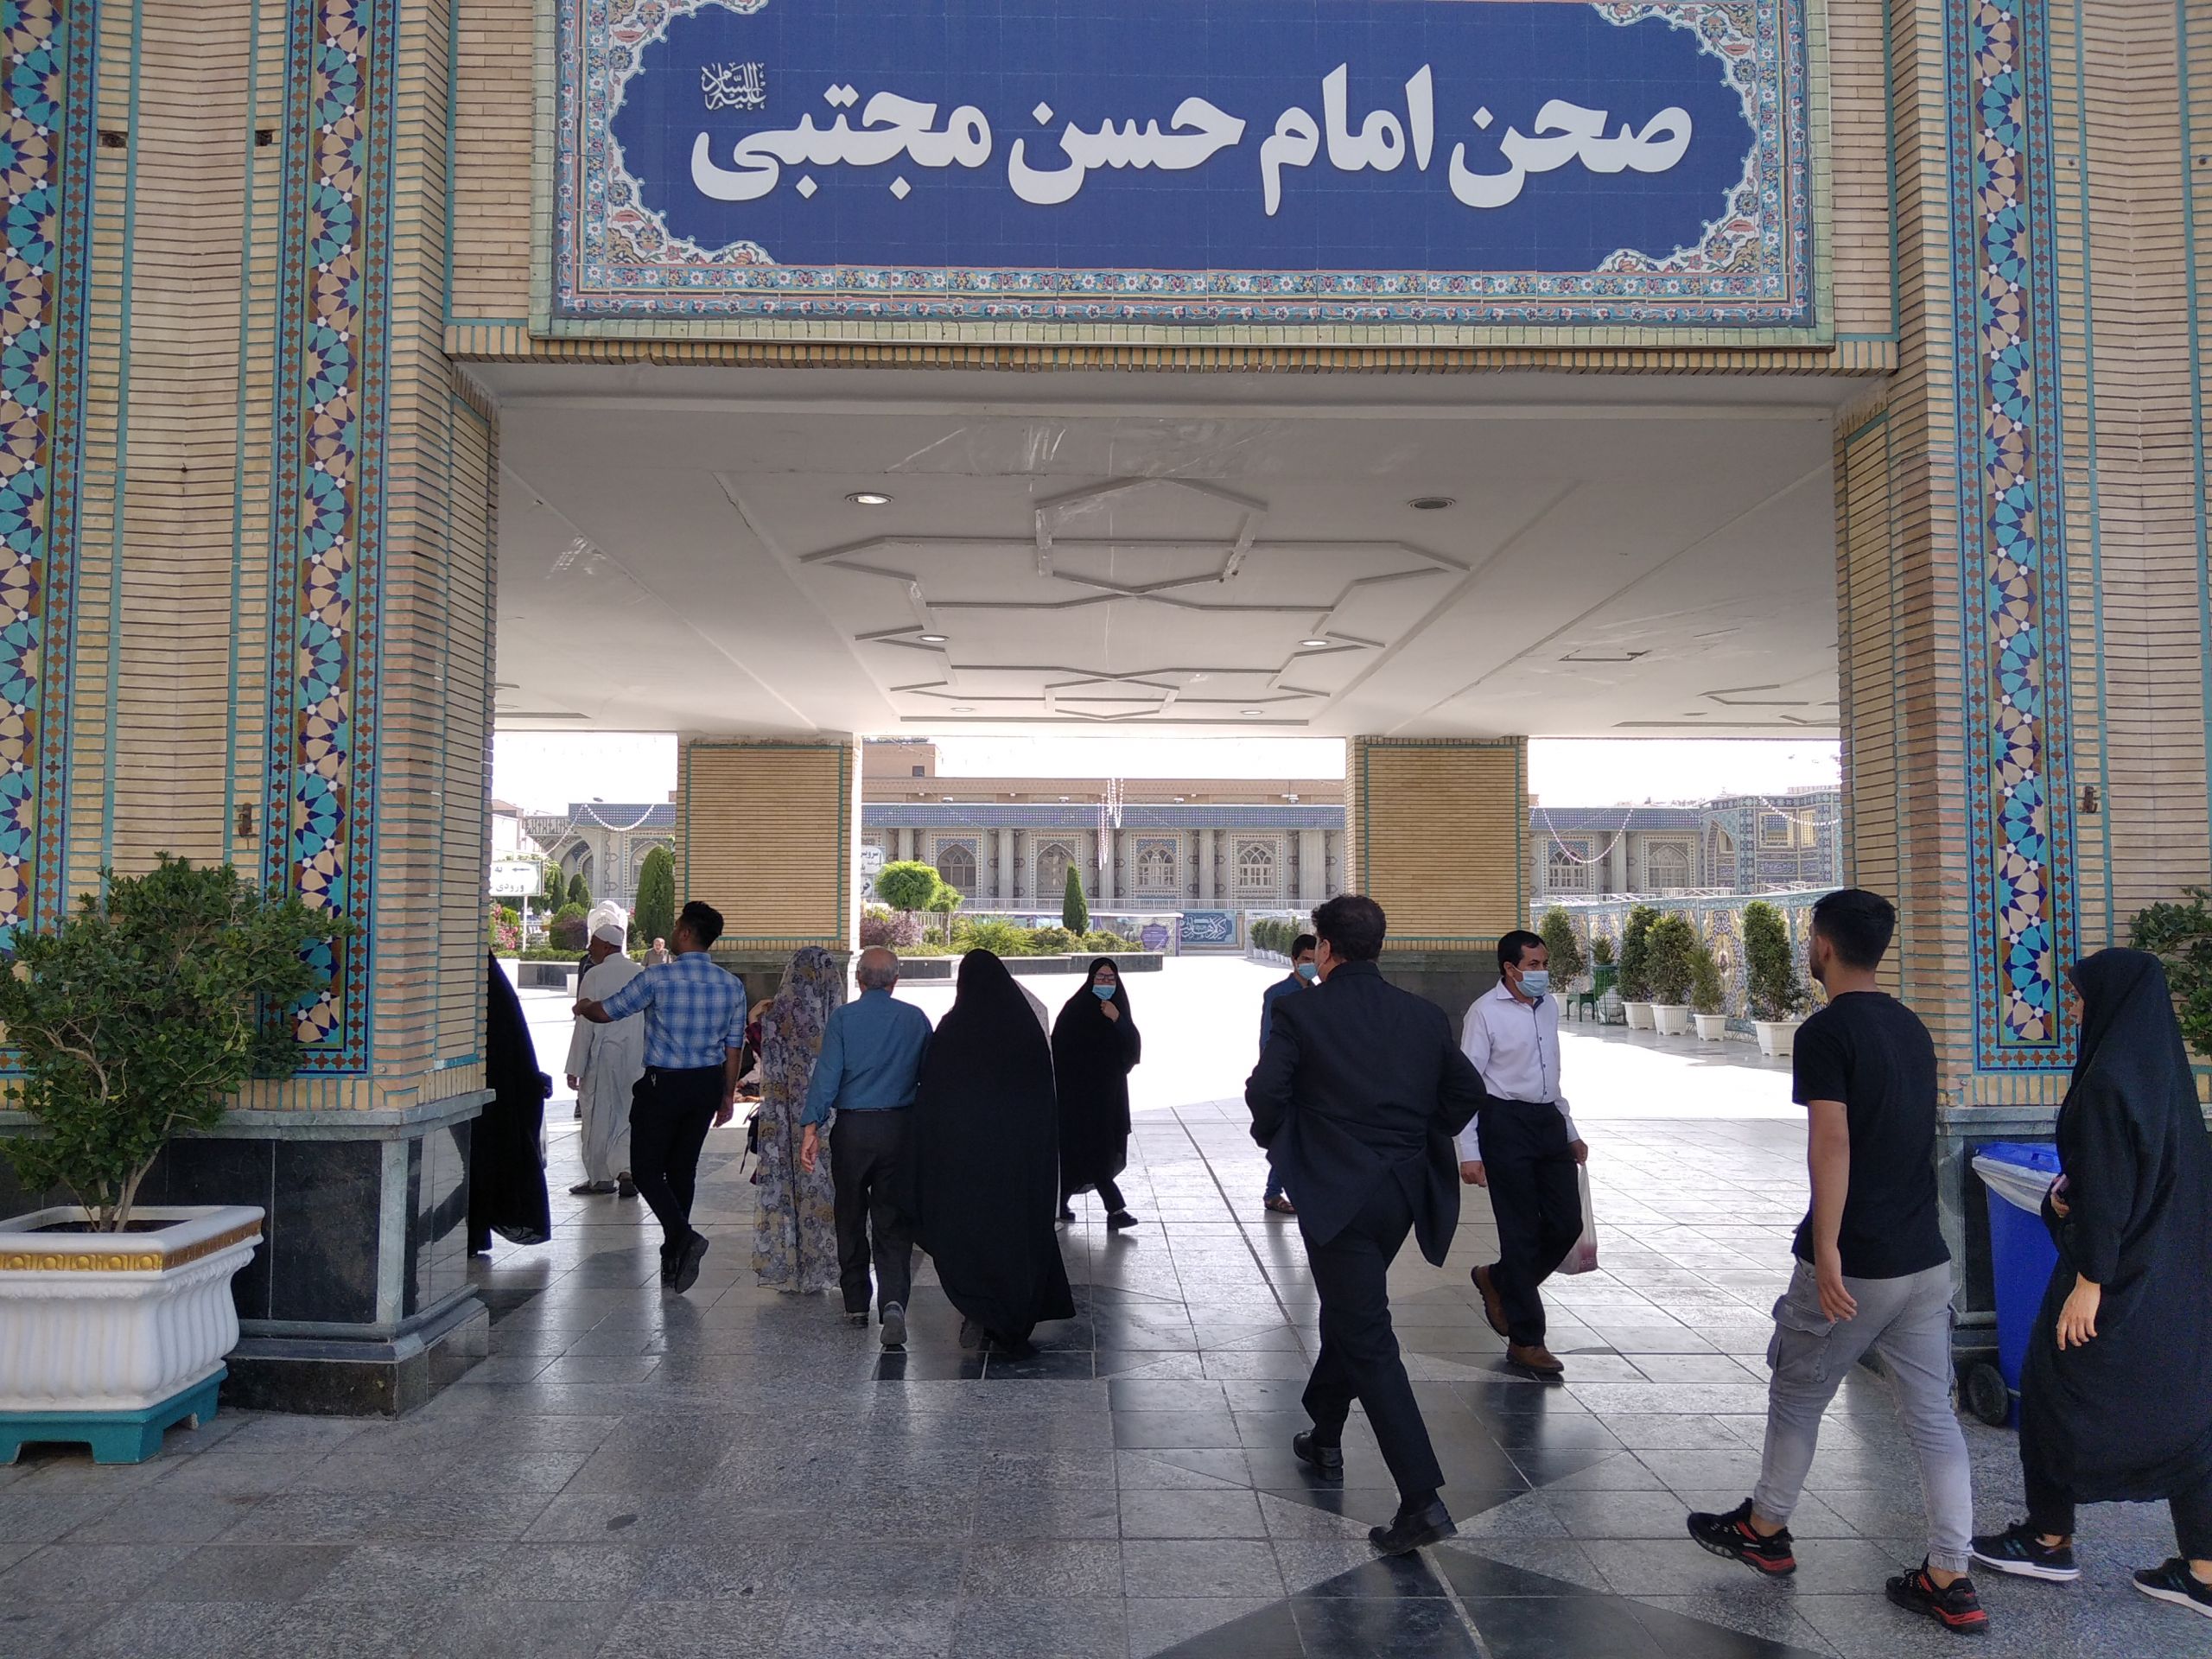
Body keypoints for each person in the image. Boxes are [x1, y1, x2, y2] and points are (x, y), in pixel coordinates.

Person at [1687, 889, 1986, 1634]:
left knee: (1797, 1391)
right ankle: (1950, 1575)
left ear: (1821, 944)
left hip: (1858, 1261)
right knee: (1931, 1417)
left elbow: (1833, 1141)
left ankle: (1765, 1529)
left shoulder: (1827, 1032)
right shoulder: (1912, 1027)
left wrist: (1827, 1250)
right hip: (1925, 1260)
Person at [1970, 948, 2212, 1622]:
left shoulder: (2107, 1082)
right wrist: (2067, 1197)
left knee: (2052, 1389)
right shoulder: (2166, 1076)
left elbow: (2107, 1194)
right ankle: (2204, 1570)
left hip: (2113, 1279)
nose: (2074, 1009)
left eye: (2080, 997)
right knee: (2192, 1421)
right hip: (2175, 1283)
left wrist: (2089, 1281)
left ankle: (2048, 1540)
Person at [1246, 894, 1487, 1557]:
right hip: (1401, 1194)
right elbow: (1466, 1092)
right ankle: (1325, 1433)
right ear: (1378, 945)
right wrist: (1418, 1135)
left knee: (1368, 1335)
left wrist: (1287, 1143)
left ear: (1325, 948)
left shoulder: (1302, 1011)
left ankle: (1421, 1498)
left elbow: (1266, 1094)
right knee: (1352, 1312)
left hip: (1336, 1194)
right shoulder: (1422, 1015)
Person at [575, 899, 747, 1294]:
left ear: (686, 933)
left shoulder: (658, 978)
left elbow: (609, 1012)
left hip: (663, 1085)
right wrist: (727, 1094)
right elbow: (734, 1047)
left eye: (677, 926)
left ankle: (682, 1237)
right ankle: (674, 1257)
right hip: (705, 1084)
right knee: (683, 1169)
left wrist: (584, 1006)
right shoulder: (731, 984)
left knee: (646, 1169)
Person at [911, 949, 1074, 1351]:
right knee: (1017, 1235)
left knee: (973, 1233)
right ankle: (1015, 1316)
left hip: (968, 1161)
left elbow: (933, 1096)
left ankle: (980, 1307)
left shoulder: (953, 1028)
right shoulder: (1025, 1029)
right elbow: (1045, 1097)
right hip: (1019, 1162)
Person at [1458, 929, 1586, 1378]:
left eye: (1544, 963)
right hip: (1504, 1124)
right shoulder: (1484, 1013)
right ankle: (1527, 1340)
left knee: (1567, 1224)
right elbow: (1468, 1086)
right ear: (1510, 968)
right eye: (1533, 965)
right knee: (1520, 1234)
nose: (1541, 972)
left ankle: (1498, 1279)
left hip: (1547, 1121)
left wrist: (1569, 1130)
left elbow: (1551, 1073)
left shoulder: (1548, 1006)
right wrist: (1468, 1150)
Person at [799, 945, 933, 1348]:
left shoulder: (844, 1018)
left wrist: (811, 1127)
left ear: (858, 980)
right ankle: (893, 1301)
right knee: (893, 1218)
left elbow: (827, 1075)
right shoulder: (915, 1019)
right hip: (899, 1128)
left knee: (850, 1214)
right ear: (896, 980)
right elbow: (930, 1076)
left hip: (854, 1130)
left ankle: (856, 1302)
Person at [750, 947, 843, 1299]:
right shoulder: (839, 1019)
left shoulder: (778, 1016)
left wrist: (755, 1017)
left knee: (791, 1186)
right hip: (829, 1119)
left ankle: (793, 1264)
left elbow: (758, 1046)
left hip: (786, 1123)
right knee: (828, 1188)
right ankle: (831, 1264)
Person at [470, 954, 553, 1255]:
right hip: (494, 1090)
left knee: (479, 1162)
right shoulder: (491, 987)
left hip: (487, 1091)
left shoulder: (480, 986)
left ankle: (472, 1232)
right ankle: (472, 1232)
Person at [1053, 958, 1142, 1231]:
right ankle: (1115, 1209)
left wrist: (1117, 1020)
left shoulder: (1118, 1008)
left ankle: (1061, 1202)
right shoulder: (1076, 1009)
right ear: (1091, 979)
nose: (1105, 983)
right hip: (1077, 1096)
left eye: (1110, 978)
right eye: (1100, 978)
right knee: (1092, 1150)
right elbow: (1059, 1047)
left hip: (1109, 1096)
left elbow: (1133, 1049)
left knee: (1093, 1149)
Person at [564, 923, 643, 1198]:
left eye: (594, 944)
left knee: (599, 1115)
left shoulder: (594, 975)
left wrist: (575, 1067)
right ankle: (627, 1170)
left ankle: (600, 1178)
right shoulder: (640, 973)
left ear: (607, 947)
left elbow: (585, 1024)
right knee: (628, 1115)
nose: (590, 949)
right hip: (636, 1059)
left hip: (603, 1057)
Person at [1256, 934, 1318, 1216]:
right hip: (1287, 1077)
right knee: (1288, 1136)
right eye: (1305, 959)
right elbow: (1268, 1038)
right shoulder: (1278, 994)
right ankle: (1273, 1192)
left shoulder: (1319, 995)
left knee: (1301, 1138)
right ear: (1294, 960)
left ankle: (1282, 1191)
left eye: (1314, 960)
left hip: (1311, 1077)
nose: (1310, 965)